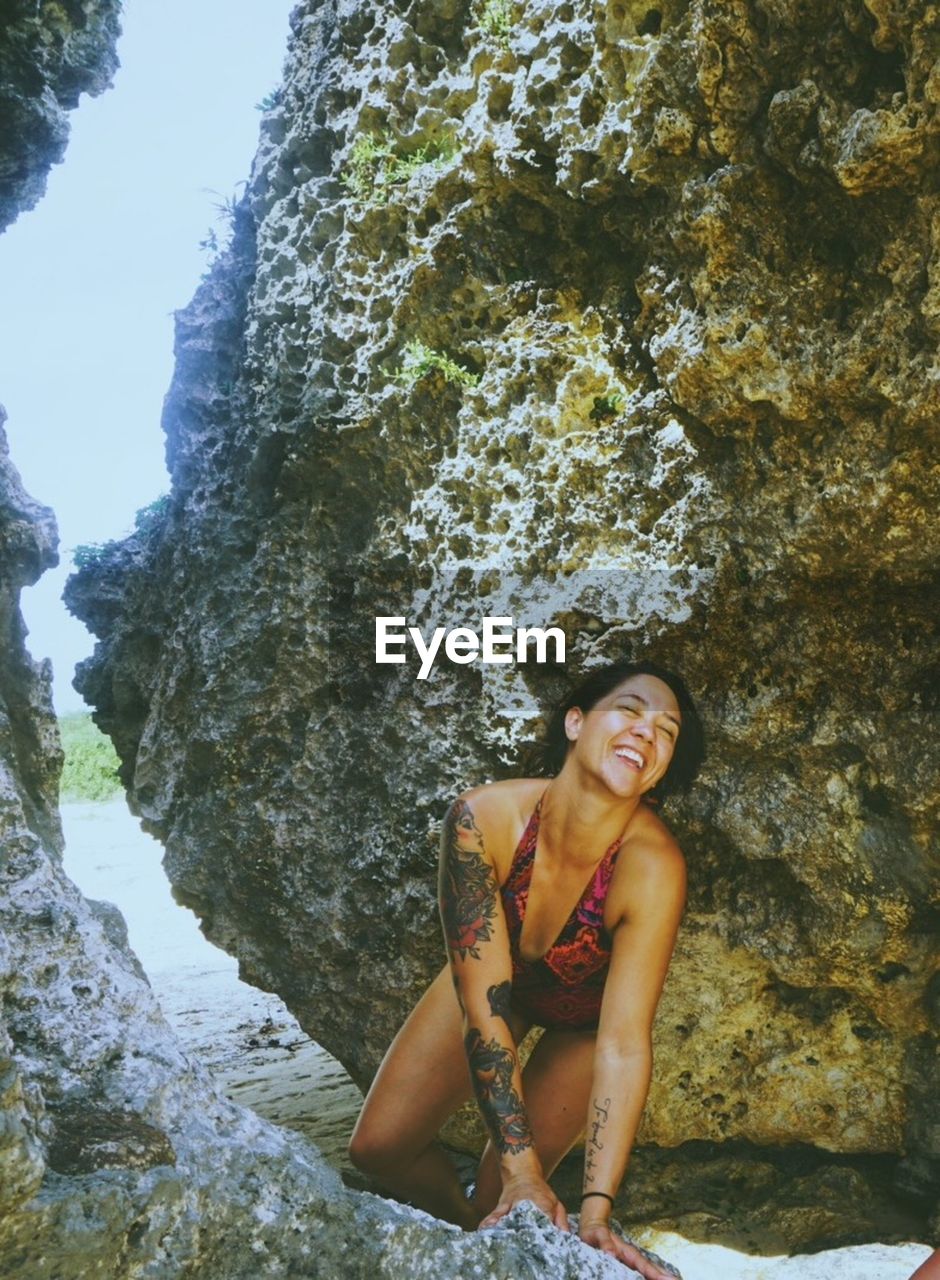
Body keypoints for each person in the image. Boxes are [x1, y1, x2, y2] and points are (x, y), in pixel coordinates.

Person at [349, 658, 705, 1276]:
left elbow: (623, 1045)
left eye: (667, 731)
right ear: (574, 721)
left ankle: (486, 1219)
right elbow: (484, 1009)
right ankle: (466, 1229)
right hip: (494, 990)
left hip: (582, 1024)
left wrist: (595, 1213)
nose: (648, 732)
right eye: (629, 709)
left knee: (505, 1200)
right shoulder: (481, 819)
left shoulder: (653, 866)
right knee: (377, 1150)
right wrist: (523, 1174)